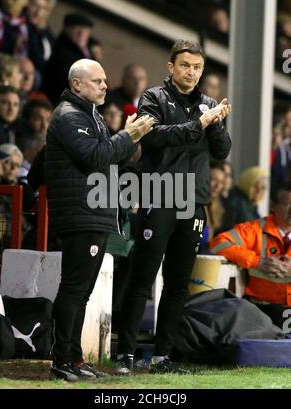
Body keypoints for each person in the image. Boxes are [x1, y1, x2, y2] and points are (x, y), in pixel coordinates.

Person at [116, 39, 232, 375]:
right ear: (171, 67)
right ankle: (125, 354)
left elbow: (222, 152)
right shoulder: (153, 98)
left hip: (194, 201)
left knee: (179, 283)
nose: (191, 73)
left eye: (197, 67)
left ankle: (161, 357)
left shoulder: (208, 103)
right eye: (185, 66)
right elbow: (152, 137)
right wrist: (199, 124)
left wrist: (217, 123)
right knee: (142, 277)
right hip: (159, 194)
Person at [44, 58, 154, 382]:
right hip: (80, 213)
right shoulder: (68, 116)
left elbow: (108, 158)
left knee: (82, 293)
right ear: (77, 84)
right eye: (97, 81)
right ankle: (62, 361)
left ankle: (74, 359)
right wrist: (126, 136)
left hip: (93, 213)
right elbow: (94, 157)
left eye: (106, 80)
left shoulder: (89, 116)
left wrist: (130, 143)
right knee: (74, 290)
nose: (105, 85)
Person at [210, 181, 291, 331]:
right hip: (262, 311)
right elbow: (218, 244)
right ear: (273, 206)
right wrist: (257, 261)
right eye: (288, 205)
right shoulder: (254, 230)